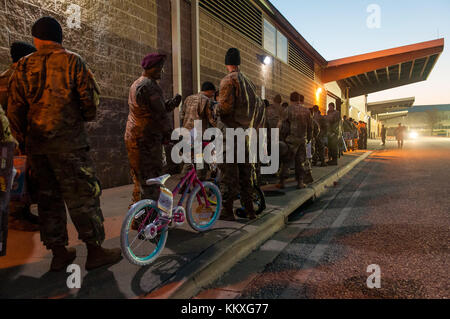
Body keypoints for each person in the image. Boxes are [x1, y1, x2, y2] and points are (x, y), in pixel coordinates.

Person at [7, 16, 122, 271]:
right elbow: (90, 105)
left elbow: (14, 110)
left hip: (38, 149)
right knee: (83, 197)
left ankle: (59, 253)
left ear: (36, 39)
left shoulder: (23, 66)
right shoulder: (73, 61)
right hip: (70, 146)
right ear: (60, 37)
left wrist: (25, 141)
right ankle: (95, 251)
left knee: (48, 201)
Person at [125, 53, 182, 206]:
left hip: (134, 138)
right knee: (152, 181)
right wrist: (172, 136)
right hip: (147, 141)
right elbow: (160, 116)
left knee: (139, 180)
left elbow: (152, 109)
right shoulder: (150, 86)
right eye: (159, 68)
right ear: (151, 68)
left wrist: (172, 103)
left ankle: (137, 217)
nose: (161, 72)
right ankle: (151, 221)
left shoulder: (137, 83)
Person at [217, 48, 265, 221]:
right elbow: (259, 108)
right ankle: (250, 210)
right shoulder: (250, 83)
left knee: (228, 174)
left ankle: (227, 210)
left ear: (226, 63)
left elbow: (225, 108)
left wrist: (214, 108)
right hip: (246, 134)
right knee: (246, 174)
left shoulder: (228, 81)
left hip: (230, 134)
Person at [0, 42, 40, 231]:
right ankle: (16, 217)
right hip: (16, 137)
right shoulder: (19, 77)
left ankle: (22, 213)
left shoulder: (4, 76)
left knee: (13, 175)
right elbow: (17, 111)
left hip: (7, 137)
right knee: (18, 176)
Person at [277, 92, 312, 189]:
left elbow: (281, 124)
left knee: (286, 161)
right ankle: (300, 182)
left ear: (291, 99)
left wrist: (280, 137)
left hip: (291, 140)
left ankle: (282, 182)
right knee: (300, 162)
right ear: (299, 99)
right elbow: (310, 127)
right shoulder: (307, 111)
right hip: (302, 140)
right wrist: (309, 138)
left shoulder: (288, 110)